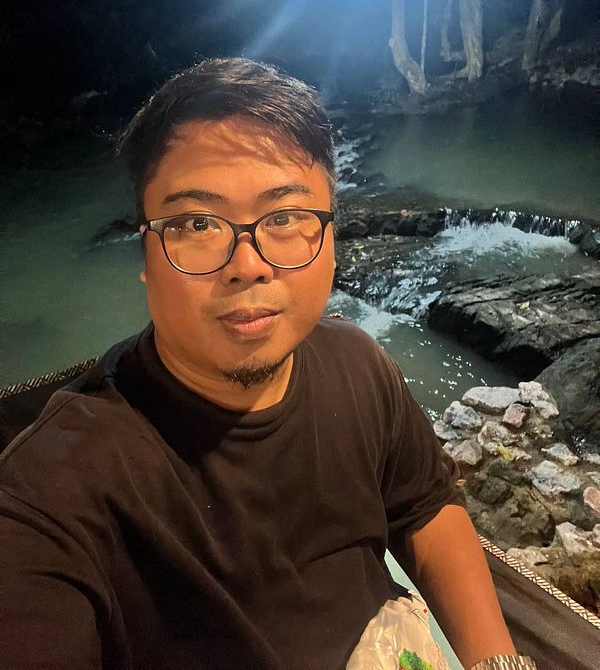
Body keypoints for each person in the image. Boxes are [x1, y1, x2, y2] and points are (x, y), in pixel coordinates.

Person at [0, 58, 535, 670]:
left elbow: (424, 506)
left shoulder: (357, 364)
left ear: (331, 240)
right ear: (145, 253)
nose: (248, 265)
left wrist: (497, 663)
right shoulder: (52, 494)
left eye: (283, 218)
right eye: (197, 223)